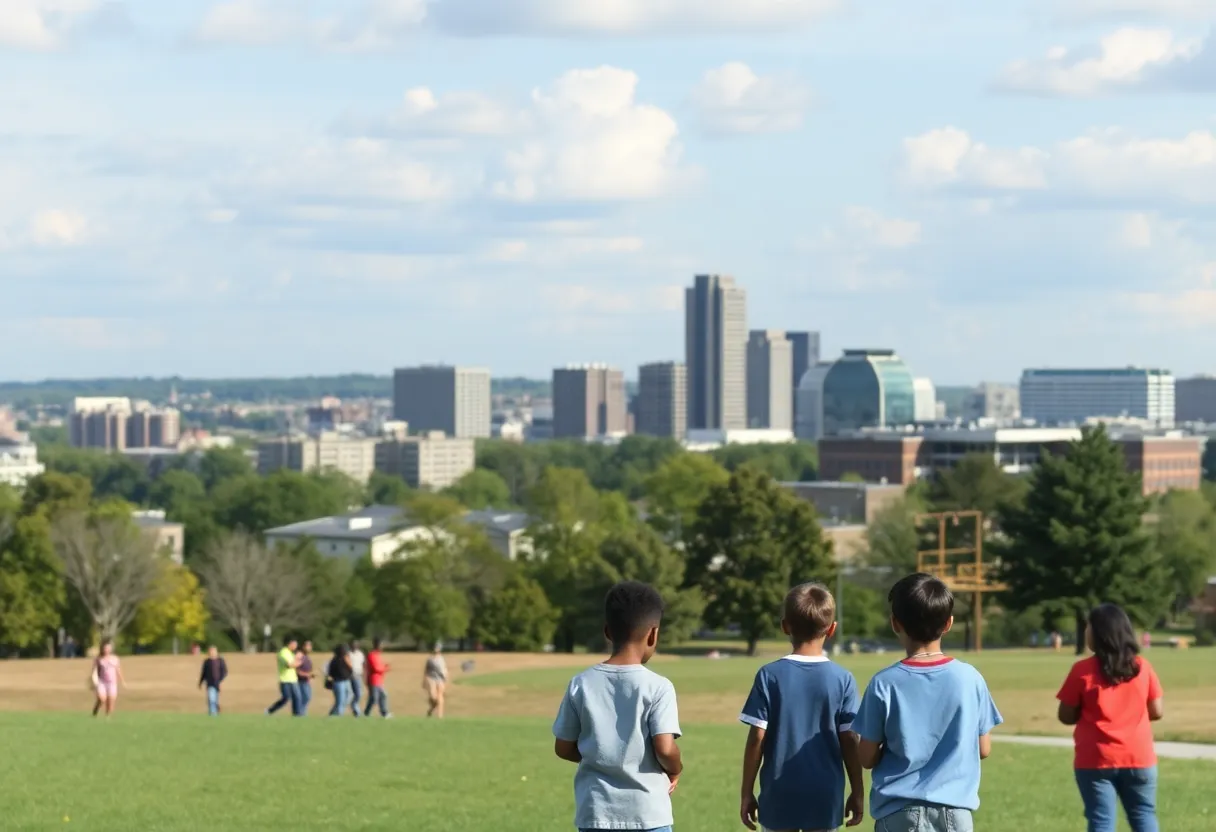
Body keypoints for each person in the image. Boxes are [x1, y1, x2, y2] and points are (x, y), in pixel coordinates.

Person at [853, 573, 1003, 832]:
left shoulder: (884, 683)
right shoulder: (970, 678)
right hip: (956, 813)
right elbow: (983, 748)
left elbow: (866, 757)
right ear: (948, 623)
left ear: (895, 623)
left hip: (898, 813)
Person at [552, 581, 682, 832]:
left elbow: (563, 747)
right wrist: (675, 770)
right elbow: (665, 749)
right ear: (653, 634)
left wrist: (600, 757)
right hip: (648, 815)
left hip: (596, 813)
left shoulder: (581, 683)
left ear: (607, 631)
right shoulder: (659, 687)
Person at [739, 582, 864, 832]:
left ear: (785, 626)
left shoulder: (769, 675)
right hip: (825, 795)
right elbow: (850, 739)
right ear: (832, 629)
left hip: (778, 793)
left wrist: (746, 792)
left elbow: (757, 738)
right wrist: (858, 791)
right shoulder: (843, 679)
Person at [1057, 604, 1164, 832]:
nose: (1086, 631)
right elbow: (1157, 710)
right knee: (1144, 815)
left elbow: (1065, 715)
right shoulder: (1142, 668)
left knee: (1101, 821)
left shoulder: (1082, 670)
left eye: (1088, 627)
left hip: (1096, 759)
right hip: (1139, 756)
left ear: (1099, 633)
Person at [266, 636, 302, 716]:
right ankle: (270, 711)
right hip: (285, 680)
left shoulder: (291, 653)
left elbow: (294, 663)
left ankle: (297, 715)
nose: (296, 647)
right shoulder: (283, 652)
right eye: (295, 645)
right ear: (290, 644)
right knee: (285, 698)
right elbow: (289, 665)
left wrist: (296, 661)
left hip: (293, 679)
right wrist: (298, 661)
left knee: (297, 698)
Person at [91, 639, 124, 718]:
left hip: (112, 683)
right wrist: (94, 681)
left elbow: (118, 670)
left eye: (109, 648)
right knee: (102, 699)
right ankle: (95, 711)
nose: (107, 650)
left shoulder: (115, 659)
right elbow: (94, 670)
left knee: (110, 702)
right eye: (105, 648)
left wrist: (122, 680)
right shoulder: (99, 659)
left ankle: (107, 718)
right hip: (102, 682)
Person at [363, 638, 392, 718]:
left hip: (379, 680)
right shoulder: (372, 655)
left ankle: (384, 713)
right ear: (377, 645)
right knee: (374, 698)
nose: (382, 647)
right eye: (381, 645)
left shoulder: (377, 655)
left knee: (383, 695)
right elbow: (376, 668)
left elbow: (379, 666)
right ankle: (366, 713)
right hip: (373, 680)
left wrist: (384, 666)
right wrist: (386, 668)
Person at [198, 645, 228, 716]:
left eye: (213, 651)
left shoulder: (220, 661)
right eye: (210, 651)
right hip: (210, 683)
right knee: (211, 698)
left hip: (217, 683)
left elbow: (224, 672)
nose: (212, 653)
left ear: (216, 652)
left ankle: (215, 710)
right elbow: (203, 673)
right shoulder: (207, 662)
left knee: (214, 699)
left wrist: (220, 680)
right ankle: (213, 713)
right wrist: (200, 682)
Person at [327, 643, 354, 716]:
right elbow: (331, 672)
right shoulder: (335, 660)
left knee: (349, 696)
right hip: (338, 682)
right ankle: (339, 715)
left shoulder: (346, 659)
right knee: (340, 701)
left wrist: (348, 662)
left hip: (346, 681)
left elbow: (351, 670)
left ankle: (333, 714)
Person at [423, 643, 449, 719]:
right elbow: (426, 670)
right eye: (435, 647)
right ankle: (431, 709)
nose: (436, 649)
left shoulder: (442, 659)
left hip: (440, 678)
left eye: (437, 648)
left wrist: (446, 678)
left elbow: (445, 669)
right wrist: (424, 680)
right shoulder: (430, 659)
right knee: (433, 696)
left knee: (440, 696)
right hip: (431, 678)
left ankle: (440, 716)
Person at [296, 640, 316, 716]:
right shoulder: (300, 656)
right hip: (301, 682)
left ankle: (302, 714)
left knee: (307, 698)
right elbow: (297, 670)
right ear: (303, 647)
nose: (309, 648)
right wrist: (308, 675)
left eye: (310, 646)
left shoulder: (306, 657)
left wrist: (311, 675)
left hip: (306, 681)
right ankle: (300, 714)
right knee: (305, 698)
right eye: (308, 646)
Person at [348, 640, 365, 717]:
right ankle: (356, 711)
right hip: (351, 676)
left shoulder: (360, 654)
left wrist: (363, 674)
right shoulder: (348, 654)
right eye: (353, 645)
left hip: (359, 676)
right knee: (354, 694)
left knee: (359, 694)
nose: (354, 646)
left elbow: (363, 664)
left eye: (356, 645)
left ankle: (355, 708)